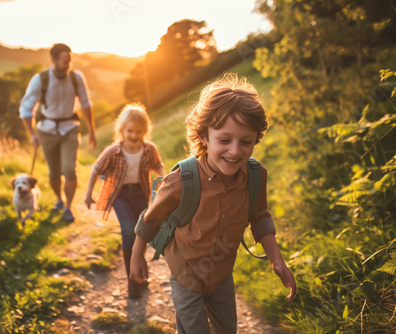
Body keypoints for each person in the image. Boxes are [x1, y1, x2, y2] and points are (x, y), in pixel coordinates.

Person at [130, 74, 297, 333]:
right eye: (224, 140)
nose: (235, 151)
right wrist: (136, 254)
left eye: (246, 142)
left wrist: (276, 259)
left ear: (256, 139)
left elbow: (260, 217)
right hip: (185, 274)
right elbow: (151, 218)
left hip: (221, 276)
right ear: (204, 135)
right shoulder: (181, 182)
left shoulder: (255, 176)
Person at [85, 103, 165, 298]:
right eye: (130, 131)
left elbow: (158, 166)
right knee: (129, 228)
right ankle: (133, 283)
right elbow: (96, 169)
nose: (134, 135)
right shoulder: (114, 151)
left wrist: (164, 182)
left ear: (145, 131)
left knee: (142, 233)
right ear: (122, 130)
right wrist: (88, 194)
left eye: (138, 131)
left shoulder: (149, 149)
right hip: (119, 195)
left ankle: (140, 271)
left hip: (140, 193)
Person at [19, 43, 97, 222]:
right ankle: (59, 200)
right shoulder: (40, 80)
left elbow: (86, 104)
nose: (68, 65)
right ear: (53, 60)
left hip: (70, 128)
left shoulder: (77, 78)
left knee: (70, 169)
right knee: (54, 173)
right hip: (46, 130)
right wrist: (32, 133)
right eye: (64, 62)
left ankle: (68, 207)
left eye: (70, 61)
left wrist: (92, 130)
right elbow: (25, 108)